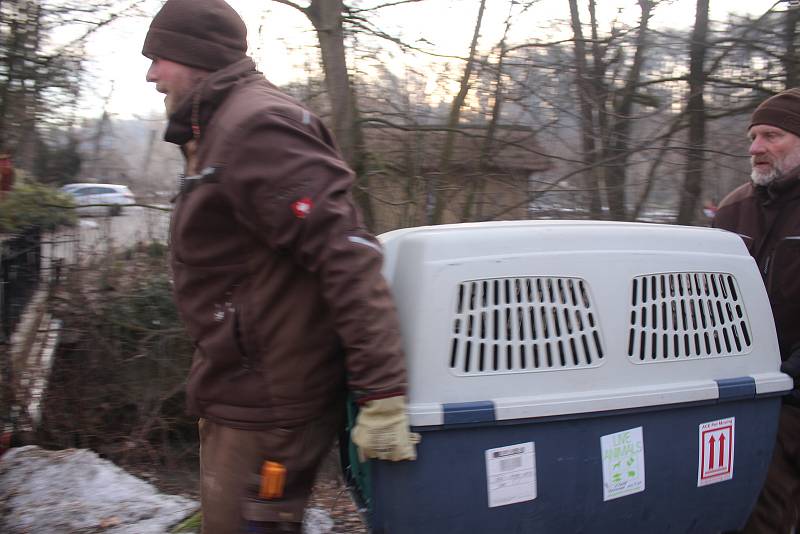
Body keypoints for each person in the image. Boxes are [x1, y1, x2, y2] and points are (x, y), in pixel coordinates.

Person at [141, 1, 419, 532]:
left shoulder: (256, 126)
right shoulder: (217, 124)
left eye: (159, 58)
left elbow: (348, 254)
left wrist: (382, 393)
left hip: (272, 405)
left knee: (251, 524)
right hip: (242, 390)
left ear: (197, 57)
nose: (151, 73)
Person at [713, 88, 800, 534]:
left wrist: (792, 377)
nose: (755, 148)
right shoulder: (734, 209)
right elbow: (697, 298)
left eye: (771, 135)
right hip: (743, 390)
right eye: (752, 137)